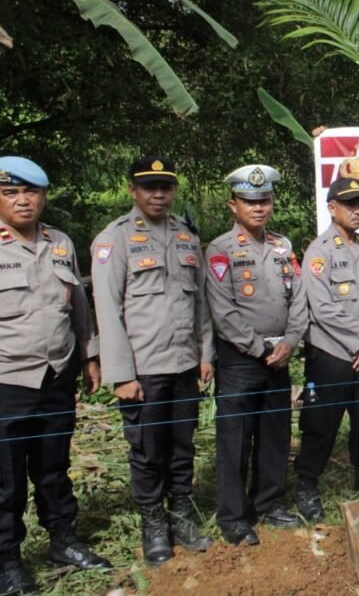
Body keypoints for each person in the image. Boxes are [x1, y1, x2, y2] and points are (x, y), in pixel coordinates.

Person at [91, 155, 215, 566]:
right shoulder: (115, 239)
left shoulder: (186, 236)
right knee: (147, 451)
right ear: (133, 190)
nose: (158, 194)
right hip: (144, 368)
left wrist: (205, 353)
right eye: (149, 187)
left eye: (165, 187)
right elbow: (108, 310)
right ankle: (154, 523)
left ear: (174, 190)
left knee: (182, 445)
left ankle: (180, 514)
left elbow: (200, 302)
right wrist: (122, 375)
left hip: (184, 364)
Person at [0, 157, 111, 595]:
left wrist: (89, 356)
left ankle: (63, 540)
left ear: (43, 196)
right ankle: (8, 560)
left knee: (54, 467)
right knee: (6, 479)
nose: (22, 200)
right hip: (8, 379)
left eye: (31, 192)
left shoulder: (59, 242)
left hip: (56, 375)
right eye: (10, 193)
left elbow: (79, 306)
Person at [205, 165, 307, 544]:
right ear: (233, 205)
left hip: (280, 354)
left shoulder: (283, 247)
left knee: (275, 433)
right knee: (235, 439)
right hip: (241, 359)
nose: (259, 207)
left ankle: (268, 502)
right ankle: (233, 517)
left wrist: (291, 340)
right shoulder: (221, 250)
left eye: (264, 200)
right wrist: (261, 348)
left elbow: (298, 299)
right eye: (250, 201)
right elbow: (223, 312)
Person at [294, 177, 359, 522]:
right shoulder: (319, 252)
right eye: (349, 204)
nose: (357, 210)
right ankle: (307, 484)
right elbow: (322, 310)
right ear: (332, 208)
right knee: (321, 424)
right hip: (332, 355)